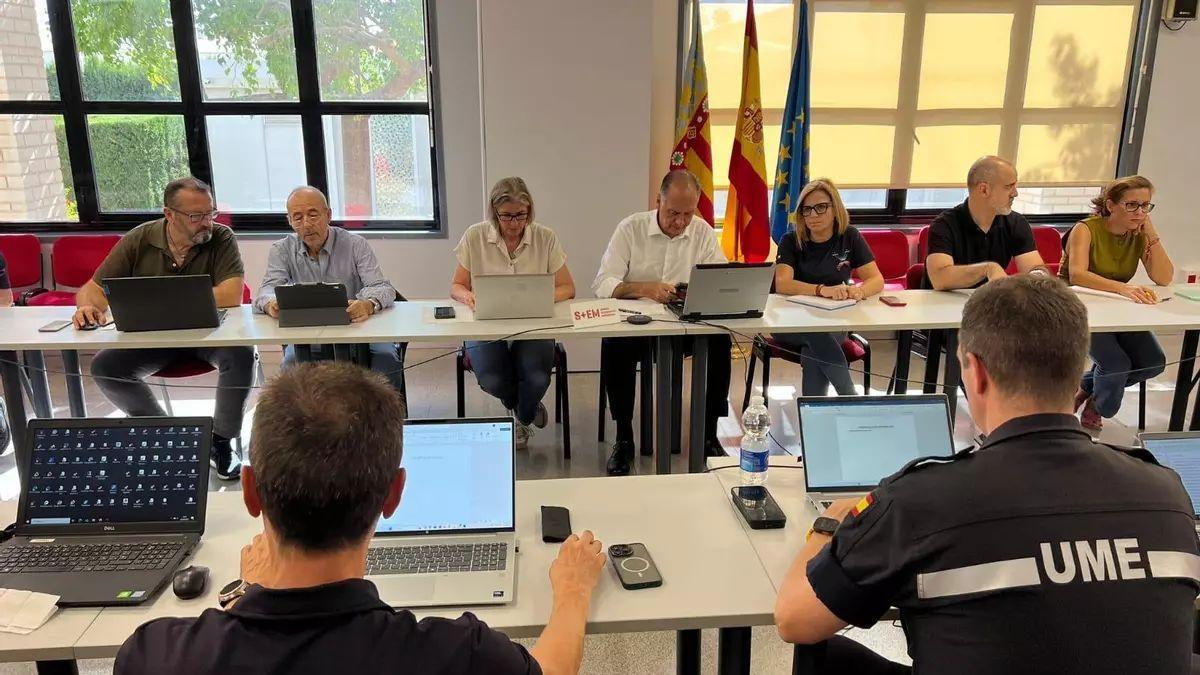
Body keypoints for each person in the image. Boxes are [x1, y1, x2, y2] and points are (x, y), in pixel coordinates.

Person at [773, 276, 1200, 675]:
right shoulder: (1166, 492)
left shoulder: (920, 501)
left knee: (824, 655)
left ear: (974, 372)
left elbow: (795, 620)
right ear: (1077, 371)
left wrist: (827, 525)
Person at [114, 362, 606, 675]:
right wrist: (574, 591)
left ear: (250, 491)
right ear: (394, 495)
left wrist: (248, 597)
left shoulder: (152, 656)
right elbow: (550, 669)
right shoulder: (461, 654)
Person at [74, 177, 252, 481]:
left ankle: (220, 441)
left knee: (242, 356)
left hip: (209, 334)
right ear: (169, 214)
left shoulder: (221, 237)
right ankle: (168, 435)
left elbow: (231, 294)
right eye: (196, 217)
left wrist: (159, 297)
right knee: (105, 365)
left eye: (211, 213)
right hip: (154, 337)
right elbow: (93, 288)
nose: (206, 223)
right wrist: (88, 307)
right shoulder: (139, 238)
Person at [593, 170, 732, 476]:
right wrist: (644, 288)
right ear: (658, 201)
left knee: (721, 341)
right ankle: (624, 436)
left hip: (684, 325)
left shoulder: (702, 231)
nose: (680, 222)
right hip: (636, 324)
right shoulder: (631, 228)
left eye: (688, 214)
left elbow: (720, 278)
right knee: (614, 343)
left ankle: (708, 433)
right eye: (673, 213)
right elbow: (603, 283)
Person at [450, 177, 576, 449]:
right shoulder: (475, 236)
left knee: (537, 376)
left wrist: (540, 298)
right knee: (492, 378)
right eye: (507, 216)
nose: (515, 223)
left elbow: (568, 287)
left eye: (521, 215)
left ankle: (523, 416)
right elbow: (457, 286)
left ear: (529, 211)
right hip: (486, 324)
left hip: (533, 324)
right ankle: (523, 407)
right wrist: (469, 296)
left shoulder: (545, 237)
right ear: (494, 212)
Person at [255, 186, 405, 395]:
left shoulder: (355, 244)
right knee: (290, 368)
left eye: (313, 215)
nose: (306, 224)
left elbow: (382, 287)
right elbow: (266, 290)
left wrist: (368, 304)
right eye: (297, 218)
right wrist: (271, 303)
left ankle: (378, 425)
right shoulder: (281, 249)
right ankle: (308, 427)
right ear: (289, 221)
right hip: (309, 334)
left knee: (387, 364)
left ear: (328, 215)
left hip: (361, 331)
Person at [1061, 175, 1173, 431]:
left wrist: (1151, 233)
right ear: (1111, 205)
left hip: (1116, 310)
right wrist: (1123, 288)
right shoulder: (1086, 229)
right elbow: (1077, 274)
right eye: (1132, 204)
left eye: (1145, 206)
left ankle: (1088, 387)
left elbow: (1164, 278)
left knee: (1153, 363)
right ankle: (1097, 406)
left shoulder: (1139, 233)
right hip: (1078, 308)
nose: (1140, 212)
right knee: (1116, 364)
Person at [773, 178, 884, 396]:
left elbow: (876, 279)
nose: (813, 215)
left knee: (814, 351)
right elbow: (782, 283)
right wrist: (821, 289)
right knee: (817, 336)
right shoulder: (790, 240)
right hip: (790, 322)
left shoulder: (849, 236)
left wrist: (859, 291)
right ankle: (849, 398)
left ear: (835, 208)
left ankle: (814, 418)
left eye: (821, 207)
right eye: (807, 210)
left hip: (835, 320)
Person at [925, 156, 1049, 290]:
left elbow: (1035, 267)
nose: (1015, 193)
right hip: (941, 305)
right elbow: (939, 278)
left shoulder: (1016, 223)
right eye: (1009, 187)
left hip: (990, 305)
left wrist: (1037, 275)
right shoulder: (944, 225)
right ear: (984, 190)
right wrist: (987, 269)